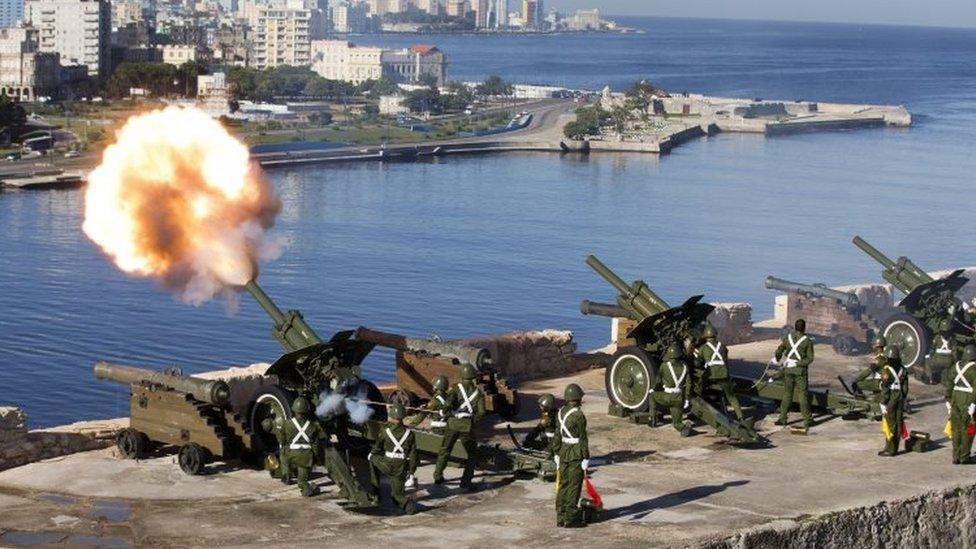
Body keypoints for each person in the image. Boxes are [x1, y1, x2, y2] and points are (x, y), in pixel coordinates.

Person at [433, 363, 485, 491]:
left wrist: (445, 411)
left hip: (452, 423)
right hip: (467, 426)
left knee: (445, 449)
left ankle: (438, 476)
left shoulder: (455, 388)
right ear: (473, 377)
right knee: (472, 454)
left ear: (462, 375)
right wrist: (473, 420)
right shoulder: (478, 393)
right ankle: (465, 482)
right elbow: (482, 412)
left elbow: (448, 404)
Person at [551, 383, 589, 528]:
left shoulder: (560, 412)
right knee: (574, 486)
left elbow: (557, 435)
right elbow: (583, 438)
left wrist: (556, 452)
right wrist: (586, 457)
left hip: (563, 452)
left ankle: (560, 516)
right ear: (577, 398)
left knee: (563, 485)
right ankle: (571, 518)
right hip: (575, 453)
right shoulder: (579, 415)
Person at [369, 403, 419, 514]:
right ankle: (406, 504)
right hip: (401, 467)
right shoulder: (410, 434)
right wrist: (411, 473)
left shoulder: (385, 431)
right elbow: (414, 455)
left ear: (391, 416)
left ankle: (376, 495)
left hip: (386, 464)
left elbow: (377, 449)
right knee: (397, 495)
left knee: (372, 458)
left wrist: (372, 454)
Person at [279, 397, 325, 497]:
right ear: (307, 410)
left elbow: (282, 440)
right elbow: (316, 444)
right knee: (302, 477)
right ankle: (304, 487)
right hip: (305, 456)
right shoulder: (313, 425)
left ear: (294, 410)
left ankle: (286, 473)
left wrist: (286, 447)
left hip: (291, 455)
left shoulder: (287, 424)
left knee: (282, 452)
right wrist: (316, 458)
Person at [697, 324, 744, 420]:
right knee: (731, 396)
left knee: (698, 390)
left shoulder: (703, 348)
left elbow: (698, 363)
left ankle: (697, 412)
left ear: (705, 336)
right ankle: (740, 416)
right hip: (724, 375)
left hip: (710, 376)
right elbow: (725, 359)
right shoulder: (722, 346)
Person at [774, 319, 814, 427]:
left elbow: (779, 350)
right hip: (800, 372)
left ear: (795, 327)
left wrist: (777, 358)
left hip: (788, 370)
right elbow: (810, 359)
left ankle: (782, 418)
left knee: (787, 394)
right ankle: (807, 420)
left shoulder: (789, 337)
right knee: (803, 396)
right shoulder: (807, 341)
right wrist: (799, 363)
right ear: (804, 328)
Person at [649, 344, 693, 437]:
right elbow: (689, 384)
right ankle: (683, 427)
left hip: (667, 397)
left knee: (652, 396)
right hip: (679, 398)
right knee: (676, 423)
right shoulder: (685, 366)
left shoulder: (664, 366)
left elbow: (658, 381)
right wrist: (687, 399)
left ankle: (652, 420)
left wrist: (653, 389)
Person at [944, 344, 976, 464]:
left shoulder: (955, 367)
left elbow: (949, 384)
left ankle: (955, 457)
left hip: (955, 398)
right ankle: (964, 457)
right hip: (967, 399)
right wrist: (973, 404)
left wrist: (948, 400)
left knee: (955, 429)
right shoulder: (974, 369)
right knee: (968, 429)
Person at [878, 346, 907, 457]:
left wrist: (883, 402)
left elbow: (885, 388)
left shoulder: (886, 370)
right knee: (898, 422)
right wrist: (903, 398)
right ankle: (895, 448)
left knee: (890, 424)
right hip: (900, 397)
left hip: (891, 398)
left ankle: (890, 449)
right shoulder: (903, 369)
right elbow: (905, 388)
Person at [522, 393, 557, 457]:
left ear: (547, 406)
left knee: (529, 443)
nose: (540, 407)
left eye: (542, 406)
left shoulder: (549, 417)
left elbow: (539, 428)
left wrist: (528, 438)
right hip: (552, 442)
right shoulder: (554, 413)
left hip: (550, 444)